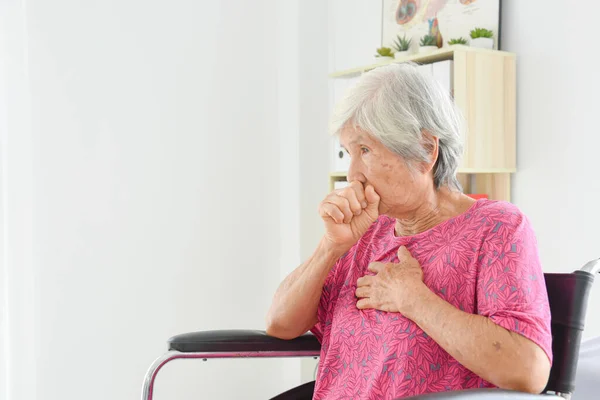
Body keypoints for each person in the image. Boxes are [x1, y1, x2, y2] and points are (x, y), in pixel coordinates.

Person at [265, 62, 552, 399]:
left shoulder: (496, 228)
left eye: (366, 150)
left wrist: (413, 300)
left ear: (426, 150)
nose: (352, 174)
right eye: (348, 153)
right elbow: (280, 324)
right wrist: (331, 246)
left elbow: (527, 371)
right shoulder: (366, 231)